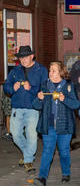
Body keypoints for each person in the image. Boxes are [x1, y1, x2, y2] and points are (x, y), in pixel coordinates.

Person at [32, 62, 80, 186]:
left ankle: (66, 173)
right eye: (50, 70)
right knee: (47, 151)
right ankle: (42, 177)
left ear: (61, 72)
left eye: (53, 70)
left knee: (64, 151)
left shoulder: (68, 86)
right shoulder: (45, 85)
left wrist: (65, 100)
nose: (50, 73)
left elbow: (76, 104)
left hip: (64, 124)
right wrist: (39, 98)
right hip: (49, 125)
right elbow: (36, 106)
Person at [3, 45, 48, 173]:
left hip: (33, 108)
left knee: (32, 135)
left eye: (25, 57)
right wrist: (13, 88)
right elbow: (6, 88)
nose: (22, 60)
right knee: (15, 134)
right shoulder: (15, 71)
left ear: (31, 56)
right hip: (17, 108)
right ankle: (27, 153)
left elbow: (44, 90)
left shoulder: (41, 70)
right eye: (20, 58)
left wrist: (31, 89)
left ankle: (28, 160)